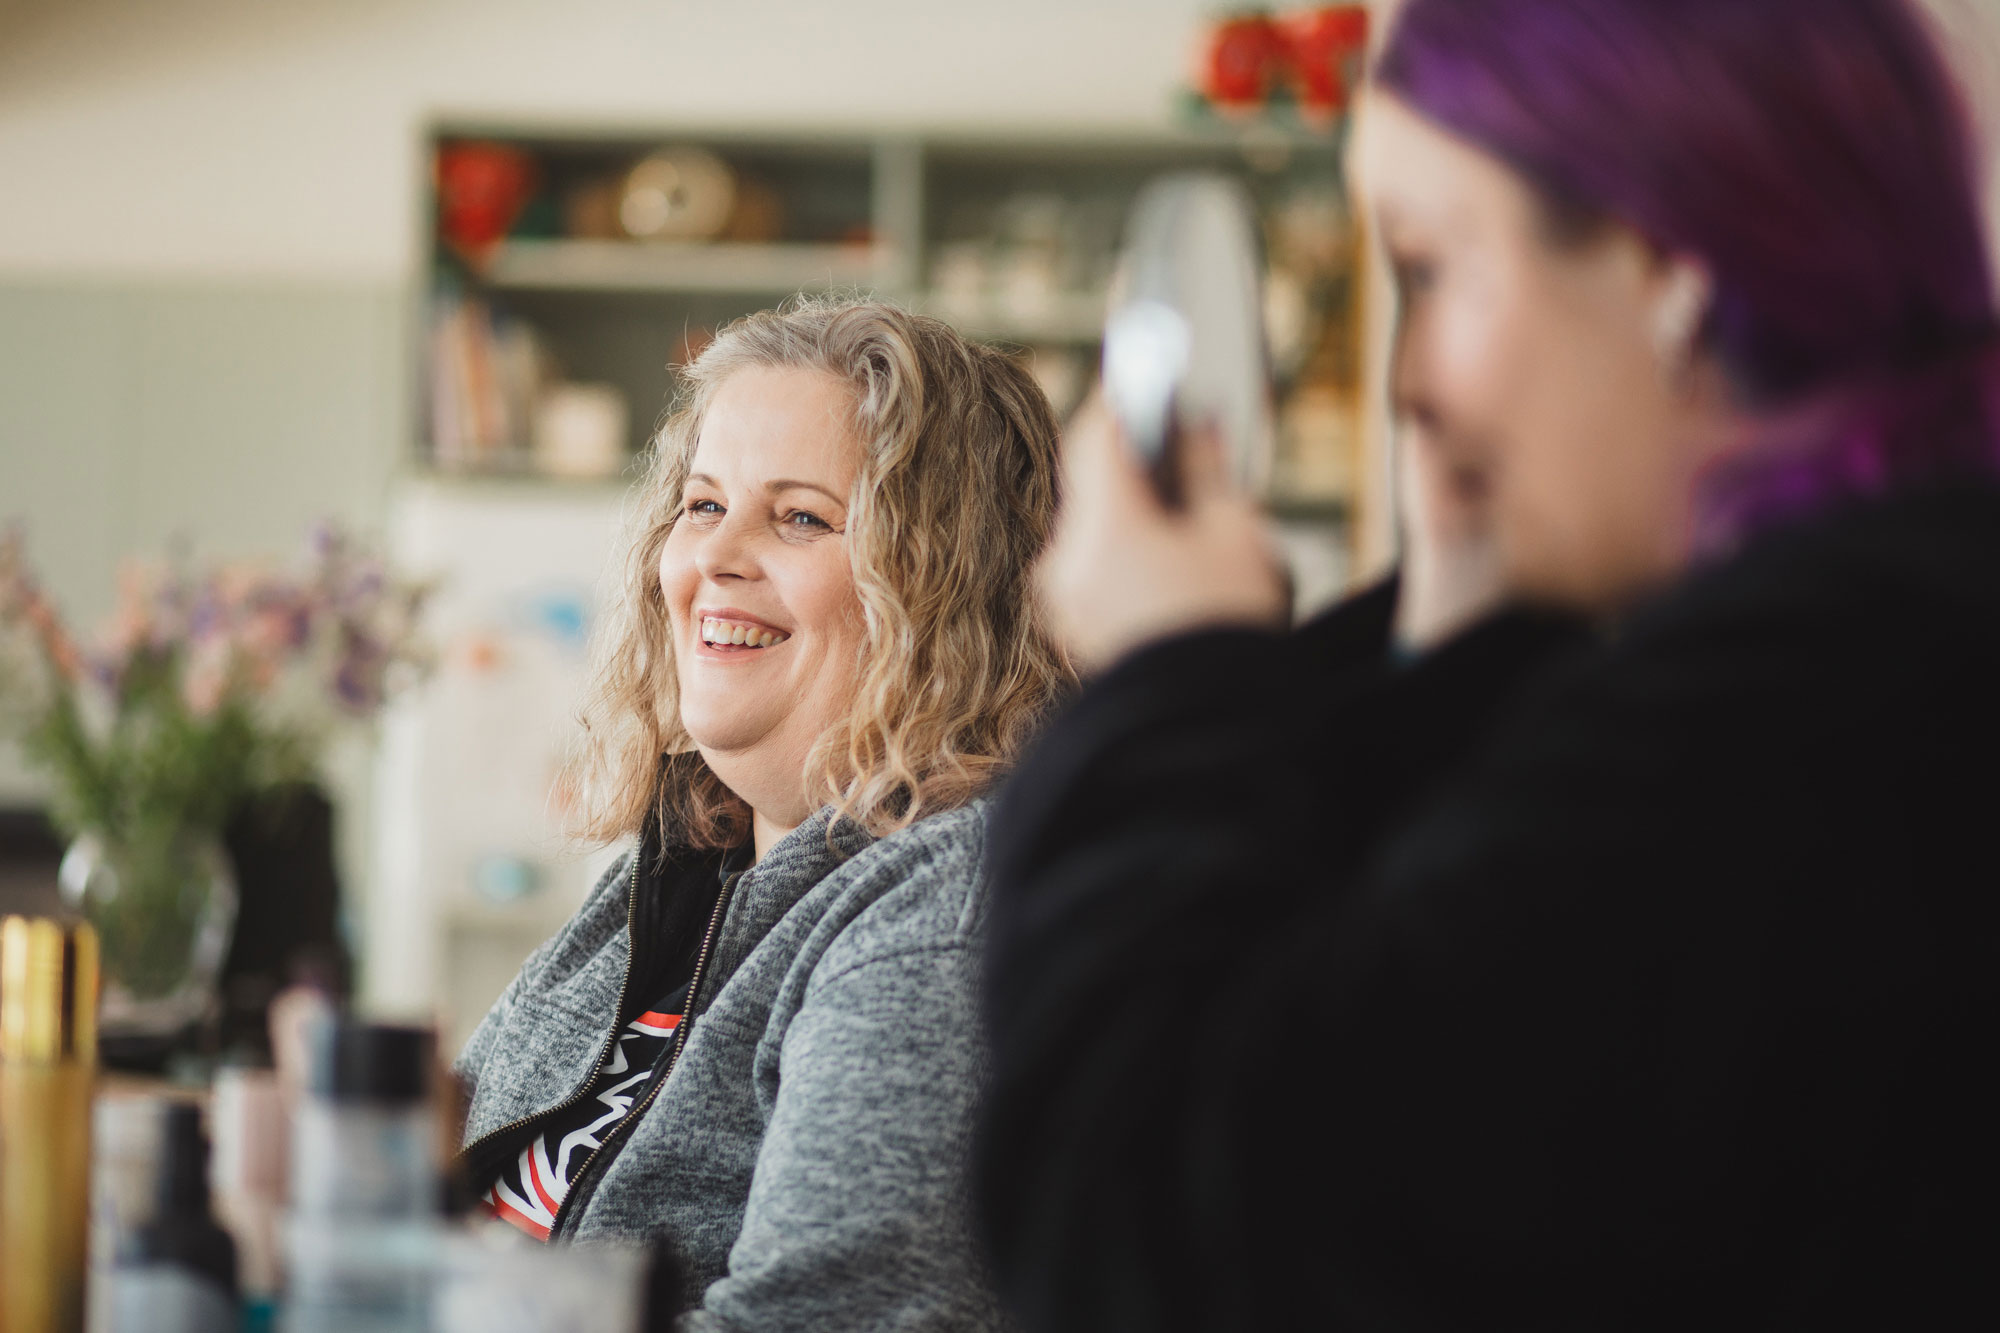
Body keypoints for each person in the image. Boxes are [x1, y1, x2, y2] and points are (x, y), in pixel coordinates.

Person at [975, 1, 2000, 1329]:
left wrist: (1167, 676)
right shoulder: (1875, 627)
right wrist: (1464, 632)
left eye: (1430, 269)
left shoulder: (1822, 707)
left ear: (1665, 271)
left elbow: (1159, 1241)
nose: (1410, 385)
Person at [454, 298, 1069, 1330]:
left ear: (942, 588)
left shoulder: (935, 927)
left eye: (799, 518)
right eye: (701, 506)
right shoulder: (679, 866)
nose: (713, 562)